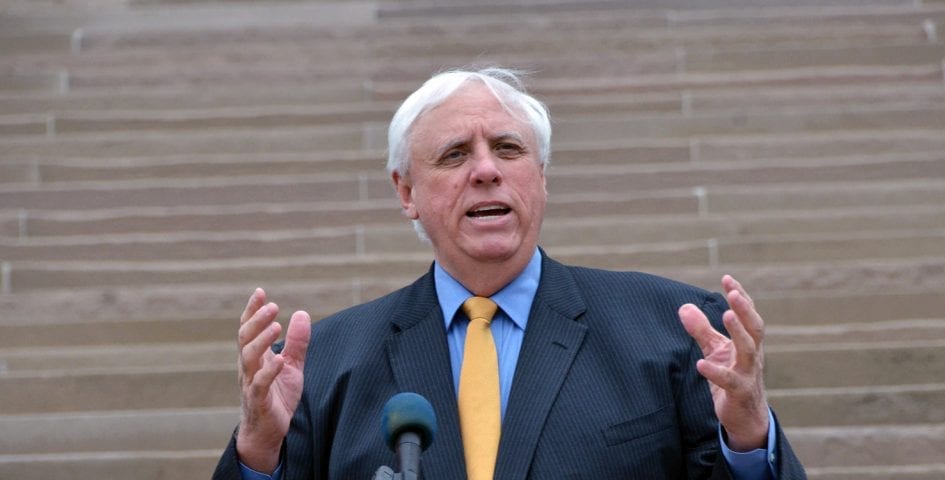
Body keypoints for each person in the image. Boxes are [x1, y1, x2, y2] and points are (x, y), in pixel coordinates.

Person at [213, 67, 806, 479]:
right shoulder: (327, 360)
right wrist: (260, 450)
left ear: (541, 176)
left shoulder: (674, 329)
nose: (486, 171)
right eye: (454, 155)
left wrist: (749, 438)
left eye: (509, 148)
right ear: (406, 191)